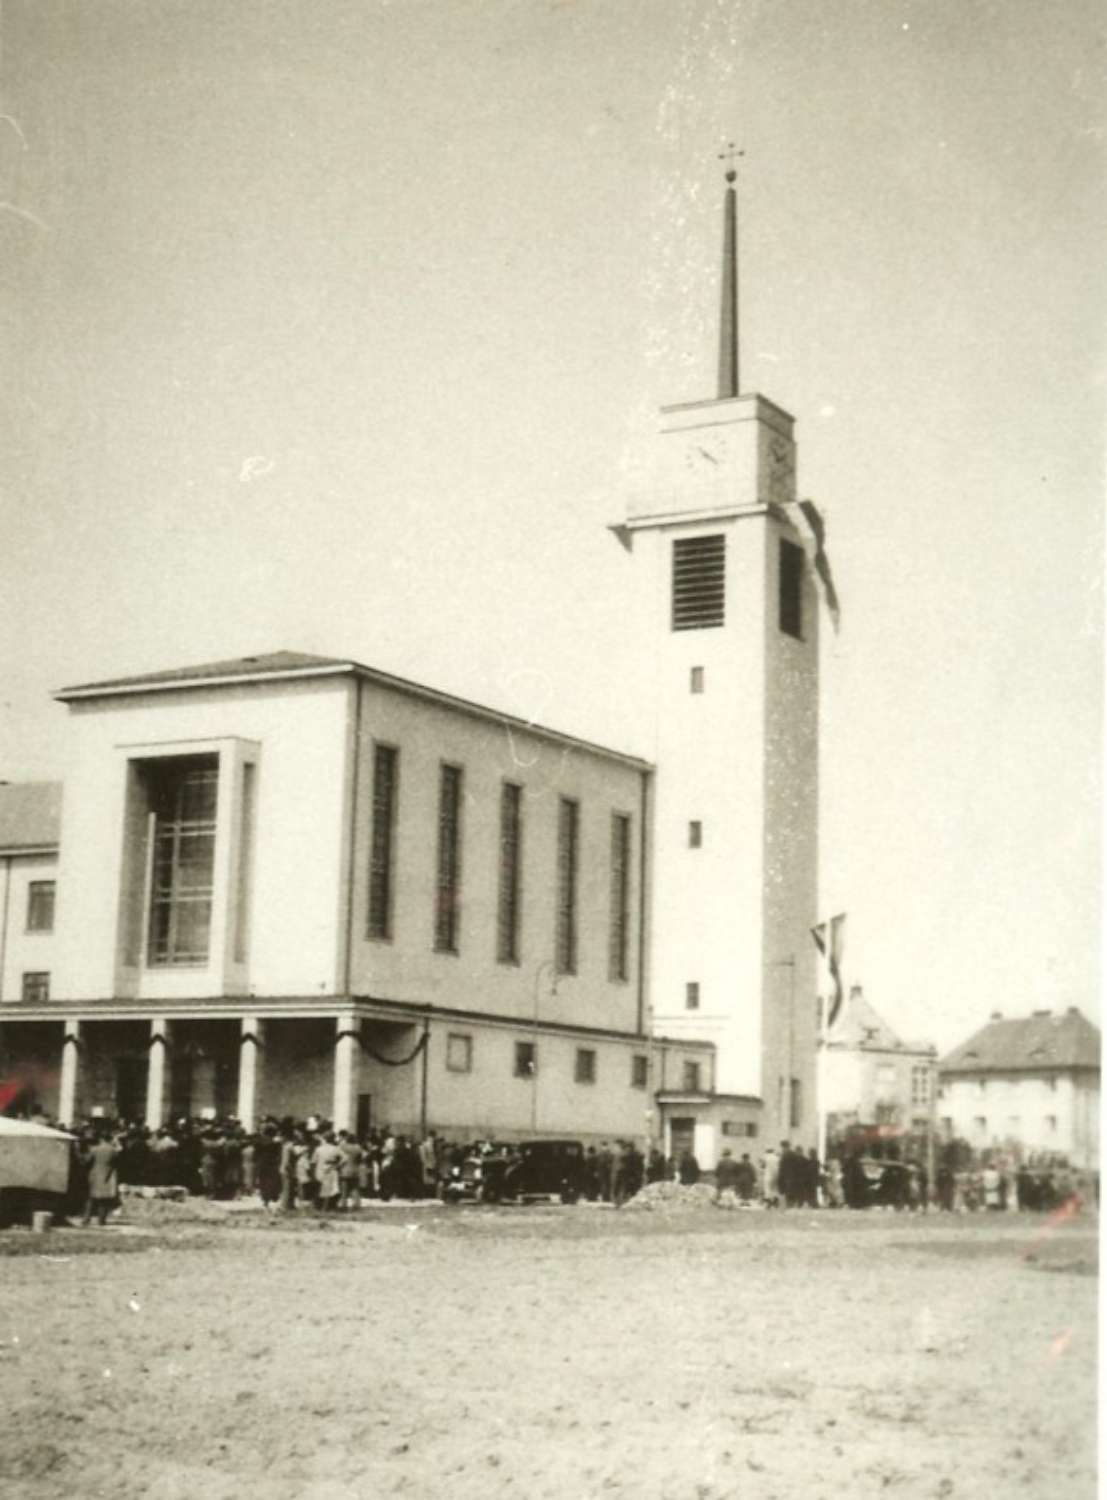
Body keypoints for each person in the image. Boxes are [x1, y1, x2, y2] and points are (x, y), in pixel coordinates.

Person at [83, 1132, 121, 1226]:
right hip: (108, 1175)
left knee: (91, 1198)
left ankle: (86, 1219)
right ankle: (101, 1220)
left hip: (95, 1175)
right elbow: (118, 1161)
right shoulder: (113, 1150)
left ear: (101, 1139)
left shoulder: (94, 1149)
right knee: (104, 1200)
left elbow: (87, 1160)